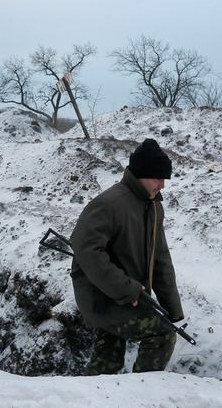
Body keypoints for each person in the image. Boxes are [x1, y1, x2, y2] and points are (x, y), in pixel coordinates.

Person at [70, 138, 184, 375]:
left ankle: (91, 392)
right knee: (162, 335)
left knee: (106, 364)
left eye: (165, 179)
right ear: (141, 174)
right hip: (103, 300)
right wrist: (128, 290)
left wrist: (172, 307)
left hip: (127, 297)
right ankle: (140, 391)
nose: (162, 185)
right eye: (158, 178)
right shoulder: (108, 204)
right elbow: (86, 250)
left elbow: (160, 258)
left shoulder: (153, 206)